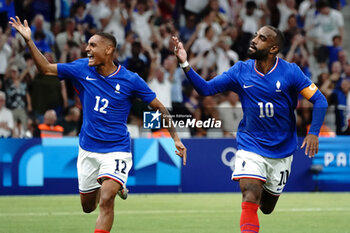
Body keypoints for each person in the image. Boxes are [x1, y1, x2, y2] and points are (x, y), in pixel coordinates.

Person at [10, 16, 186, 233]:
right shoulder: (82, 69)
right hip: (88, 149)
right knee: (87, 207)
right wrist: (29, 41)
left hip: (117, 150)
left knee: (106, 199)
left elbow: (160, 107)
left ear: (109, 49)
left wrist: (176, 139)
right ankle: (116, 184)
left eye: (93, 45)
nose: (87, 49)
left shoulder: (130, 80)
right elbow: (46, 68)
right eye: (88, 45)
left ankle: (114, 184)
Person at [172, 25, 328, 232]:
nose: (254, 40)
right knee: (250, 194)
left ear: (273, 48)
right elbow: (206, 88)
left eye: (261, 38)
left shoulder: (291, 72)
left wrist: (313, 133)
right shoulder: (240, 71)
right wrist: (184, 62)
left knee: (266, 208)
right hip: (251, 145)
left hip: (282, 151)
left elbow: (320, 100)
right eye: (255, 35)